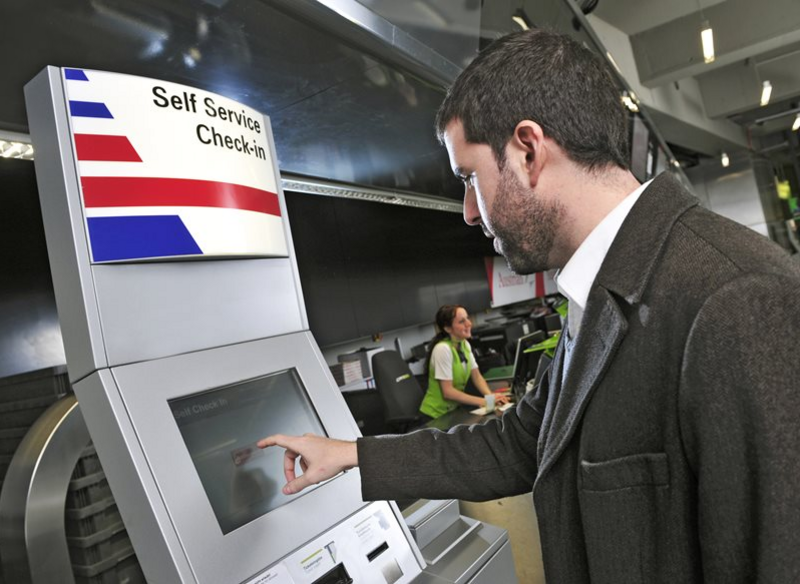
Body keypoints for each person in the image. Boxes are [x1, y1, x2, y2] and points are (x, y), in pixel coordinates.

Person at [258, 28, 800, 583]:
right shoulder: (600, 293)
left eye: (470, 178)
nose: (469, 212)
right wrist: (353, 454)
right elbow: (517, 443)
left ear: (528, 150)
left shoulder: (738, 296)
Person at [418, 304, 510, 420]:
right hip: (434, 417)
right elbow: (448, 392)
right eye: (462, 321)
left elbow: (476, 376)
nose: (469, 323)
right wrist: (483, 401)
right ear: (447, 328)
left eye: (467, 318)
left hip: (452, 412)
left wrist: (491, 398)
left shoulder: (464, 344)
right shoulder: (442, 349)